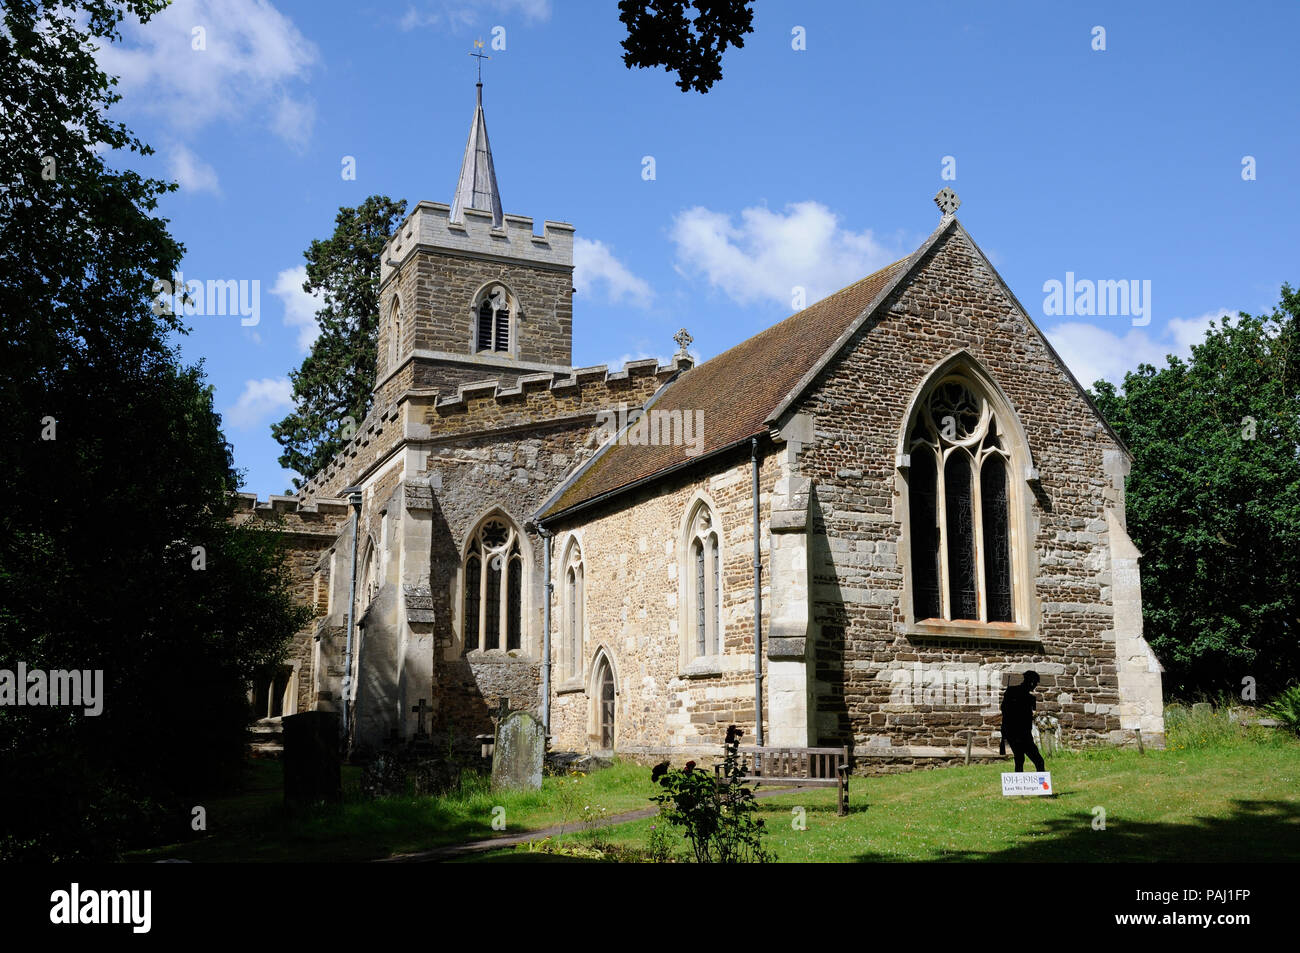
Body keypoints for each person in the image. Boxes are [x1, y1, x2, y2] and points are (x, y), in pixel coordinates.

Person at [1000, 670, 1045, 772]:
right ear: (1031, 682)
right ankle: (1038, 786)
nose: (1034, 687)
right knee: (1036, 760)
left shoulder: (1028, 697)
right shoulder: (1014, 693)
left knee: (1021, 759)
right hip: (1016, 732)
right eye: (1035, 684)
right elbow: (1004, 710)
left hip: (1021, 732)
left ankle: (1031, 785)